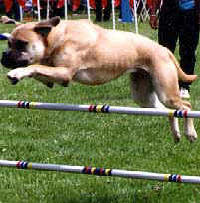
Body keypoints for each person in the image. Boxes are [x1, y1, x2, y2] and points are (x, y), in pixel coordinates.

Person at [149, 0, 200, 99]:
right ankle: (163, 85)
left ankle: (184, 87)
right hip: (169, 10)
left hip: (191, 11)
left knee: (188, 52)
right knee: (164, 51)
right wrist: (153, 13)